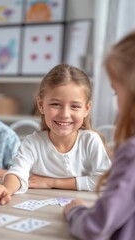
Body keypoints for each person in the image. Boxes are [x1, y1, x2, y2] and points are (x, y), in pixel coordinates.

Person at [0, 63, 111, 205]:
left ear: (86, 109)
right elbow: (18, 173)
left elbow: (105, 181)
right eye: (56, 104)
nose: (65, 114)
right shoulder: (32, 143)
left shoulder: (90, 141)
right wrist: (6, 188)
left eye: (75, 106)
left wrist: (52, 182)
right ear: (41, 105)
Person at [63, 32, 135, 240]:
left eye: (115, 91)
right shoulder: (34, 140)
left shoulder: (128, 151)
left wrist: (75, 211)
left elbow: (95, 226)